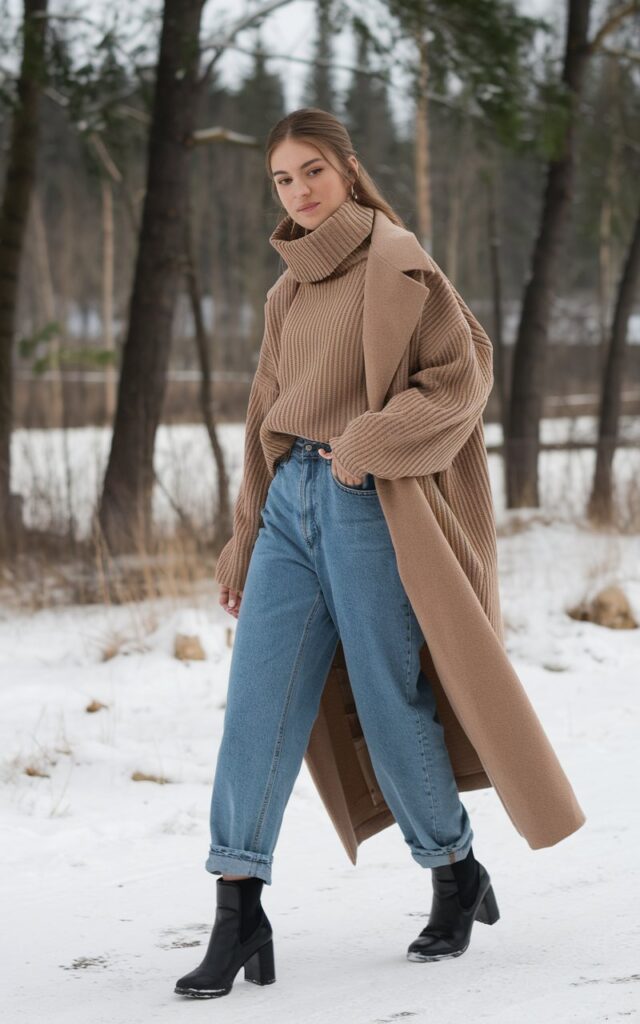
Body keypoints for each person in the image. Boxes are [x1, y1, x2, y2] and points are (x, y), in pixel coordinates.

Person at [174, 107, 501, 1000]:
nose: (299, 190)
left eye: (312, 170)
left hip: (364, 504)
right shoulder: (289, 293)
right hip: (288, 511)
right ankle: (239, 909)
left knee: (392, 711)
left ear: (348, 171)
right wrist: (246, 533)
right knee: (257, 710)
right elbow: (261, 421)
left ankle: (454, 869)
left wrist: (365, 446)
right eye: (283, 179)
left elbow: (464, 373)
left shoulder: (399, 261)